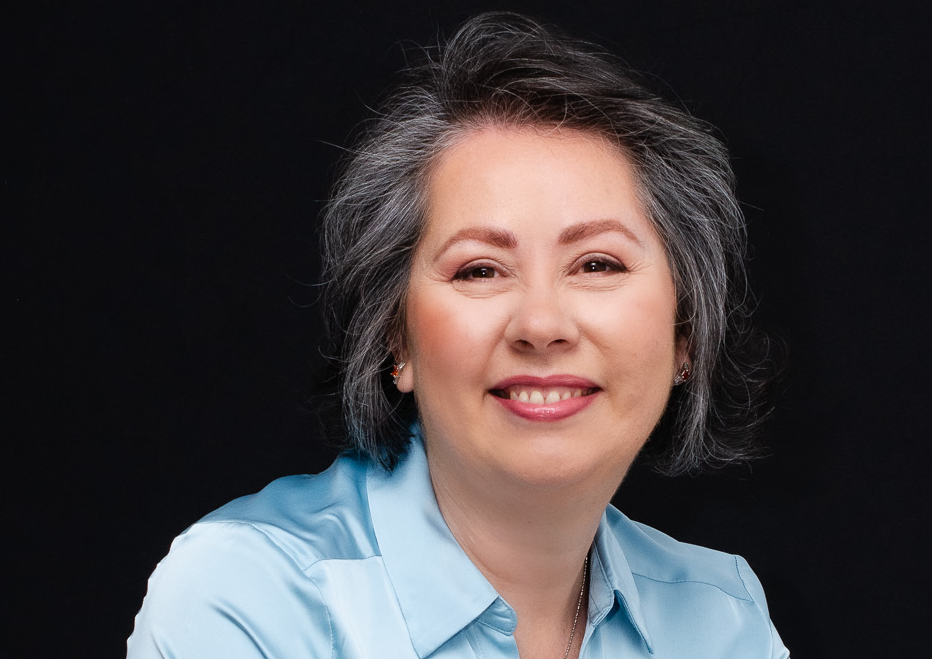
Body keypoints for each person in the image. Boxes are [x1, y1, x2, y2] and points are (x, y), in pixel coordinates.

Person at [127, 12, 788, 659]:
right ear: (397, 338)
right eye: (480, 269)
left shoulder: (720, 620)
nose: (541, 325)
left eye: (597, 264)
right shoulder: (247, 599)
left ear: (686, 335)